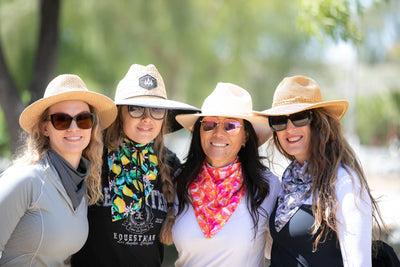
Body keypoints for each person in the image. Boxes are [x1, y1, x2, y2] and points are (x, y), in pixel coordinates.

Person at [71, 64, 199, 267]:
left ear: (164, 117)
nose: (147, 118)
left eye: (156, 109)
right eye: (136, 108)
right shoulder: (91, 157)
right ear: (120, 113)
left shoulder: (172, 165)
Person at [255, 75, 386, 267]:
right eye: (280, 120)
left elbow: (358, 261)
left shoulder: (343, 180)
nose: (289, 128)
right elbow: (275, 250)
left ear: (318, 122)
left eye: (299, 117)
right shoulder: (287, 181)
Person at [0, 74, 117, 266]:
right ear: (45, 128)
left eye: (83, 119)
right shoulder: (25, 180)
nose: (73, 128)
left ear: (92, 127)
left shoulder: (81, 186)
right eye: (62, 119)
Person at [169, 82, 281, 267]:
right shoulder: (179, 180)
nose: (218, 133)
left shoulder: (267, 186)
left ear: (245, 136)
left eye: (231, 125)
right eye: (210, 124)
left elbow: (284, 250)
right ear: (200, 132)